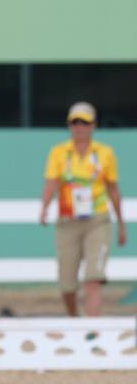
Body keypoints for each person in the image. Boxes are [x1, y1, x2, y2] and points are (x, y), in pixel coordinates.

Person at [40, 101, 127, 316]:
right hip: (68, 220)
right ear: (70, 125)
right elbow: (52, 182)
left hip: (97, 219)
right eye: (75, 122)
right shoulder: (59, 152)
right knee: (67, 285)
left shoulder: (105, 153)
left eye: (84, 122)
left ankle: (91, 333)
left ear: (93, 125)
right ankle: (75, 323)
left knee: (93, 278)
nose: (80, 127)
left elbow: (113, 189)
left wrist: (122, 224)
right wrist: (44, 207)